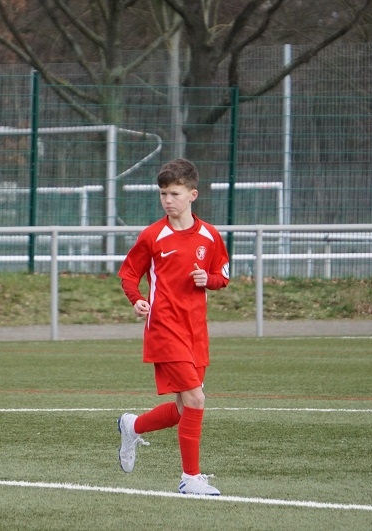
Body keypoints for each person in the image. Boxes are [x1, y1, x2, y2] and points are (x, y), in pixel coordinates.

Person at [116, 158, 229, 496]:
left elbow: (223, 276)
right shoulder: (153, 235)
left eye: (175, 194)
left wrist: (207, 279)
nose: (168, 200)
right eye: (163, 194)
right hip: (164, 330)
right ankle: (190, 478)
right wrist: (136, 299)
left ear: (192, 194)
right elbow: (128, 274)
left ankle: (133, 426)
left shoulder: (209, 236)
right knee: (196, 399)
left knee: (184, 410)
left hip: (196, 333)